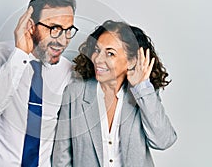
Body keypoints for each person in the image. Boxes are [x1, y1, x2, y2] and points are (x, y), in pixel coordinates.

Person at [0, 0, 78, 167]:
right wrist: (20, 55)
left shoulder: (67, 71)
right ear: (30, 25)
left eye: (68, 30)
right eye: (55, 29)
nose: (63, 40)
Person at [52, 20, 177, 167]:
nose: (98, 59)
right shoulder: (74, 93)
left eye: (110, 53)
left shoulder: (144, 96)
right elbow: (61, 158)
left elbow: (163, 141)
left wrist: (142, 87)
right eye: (97, 50)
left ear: (131, 61)